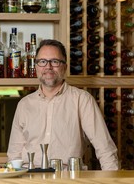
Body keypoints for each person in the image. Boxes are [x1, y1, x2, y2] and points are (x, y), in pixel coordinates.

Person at [7, 39, 118, 170]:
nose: (48, 67)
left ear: (64, 66)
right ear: (36, 66)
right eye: (42, 61)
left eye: (55, 61)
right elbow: (14, 154)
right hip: (30, 178)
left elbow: (105, 148)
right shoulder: (24, 104)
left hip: (68, 179)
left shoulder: (82, 100)